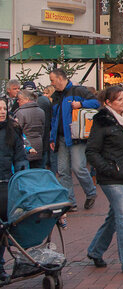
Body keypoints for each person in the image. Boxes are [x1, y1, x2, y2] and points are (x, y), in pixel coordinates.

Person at [85, 86, 123, 275]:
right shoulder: (102, 121)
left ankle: (95, 250)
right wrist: (108, 168)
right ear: (108, 102)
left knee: (114, 216)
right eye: (119, 100)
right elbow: (92, 151)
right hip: (111, 177)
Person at [48, 68, 99, 211]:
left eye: (52, 80)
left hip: (76, 138)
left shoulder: (79, 91)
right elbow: (54, 119)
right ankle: (70, 202)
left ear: (60, 78)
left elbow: (96, 103)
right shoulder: (56, 95)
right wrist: (52, 138)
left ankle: (90, 192)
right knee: (63, 170)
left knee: (78, 168)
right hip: (61, 138)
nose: (51, 83)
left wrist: (81, 104)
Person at [0, 99, 28, 281]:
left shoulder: (12, 130)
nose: (2, 111)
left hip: (5, 183)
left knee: (3, 227)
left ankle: (0, 266)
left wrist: (22, 180)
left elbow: (20, 157)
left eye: (4, 108)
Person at [14, 89, 46, 169]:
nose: (18, 101)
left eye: (19, 99)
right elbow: (43, 130)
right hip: (39, 146)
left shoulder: (20, 113)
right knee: (37, 173)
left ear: (26, 99)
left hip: (26, 147)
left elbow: (17, 132)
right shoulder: (41, 111)